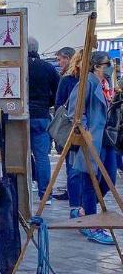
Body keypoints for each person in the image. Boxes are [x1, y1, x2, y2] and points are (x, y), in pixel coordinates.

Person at [66, 51, 116, 245]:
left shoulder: (106, 84)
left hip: (107, 138)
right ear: (96, 66)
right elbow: (75, 111)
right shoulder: (86, 83)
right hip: (93, 138)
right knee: (90, 180)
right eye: (106, 64)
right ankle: (92, 223)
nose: (109, 67)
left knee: (109, 178)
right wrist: (85, 131)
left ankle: (86, 212)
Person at [27, 37, 59, 204]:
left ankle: (29, 184)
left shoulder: (19, 67)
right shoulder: (48, 67)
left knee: (21, 154)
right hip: (42, 115)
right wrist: (48, 103)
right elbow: (58, 91)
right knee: (42, 156)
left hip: (21, 116)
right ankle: (45, 194)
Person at [53, 48, 80, 203]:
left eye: (60, 59)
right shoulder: (68, 78)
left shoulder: (68, 79)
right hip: (73, 125)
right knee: (72, 162)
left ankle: (74, 195)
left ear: (69, 58)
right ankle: (74, 195)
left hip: (72, 125)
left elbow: (58, 104)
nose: (59, 62)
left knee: (72, 163)